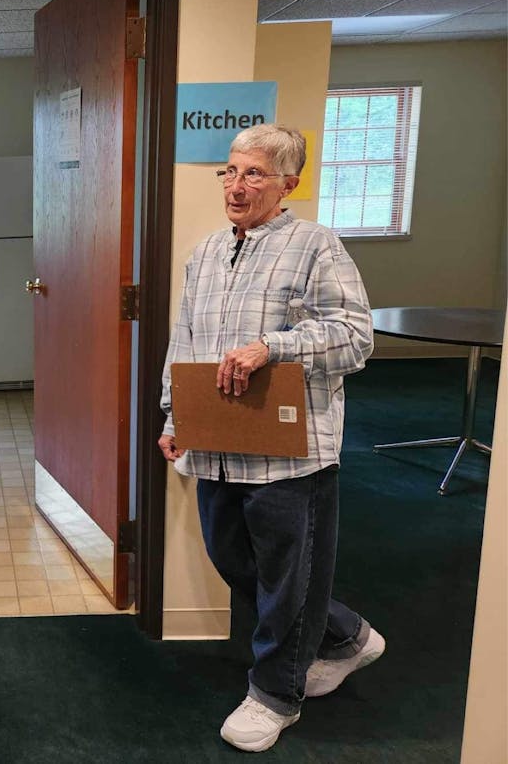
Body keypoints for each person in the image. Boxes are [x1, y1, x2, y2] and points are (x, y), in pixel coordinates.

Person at [158, 124, 383, 753]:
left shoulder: (316, 245)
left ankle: (276, 695)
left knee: (287, 575)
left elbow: (356, 337)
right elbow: (186, 341)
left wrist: (273, 347)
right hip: (217, 443)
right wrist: (175, 416)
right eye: (230, 172)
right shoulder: (206, 252)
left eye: (254, 174)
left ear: (289, 184)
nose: (237, 186)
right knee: (235, 559)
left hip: (290, 453)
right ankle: (345, 635)